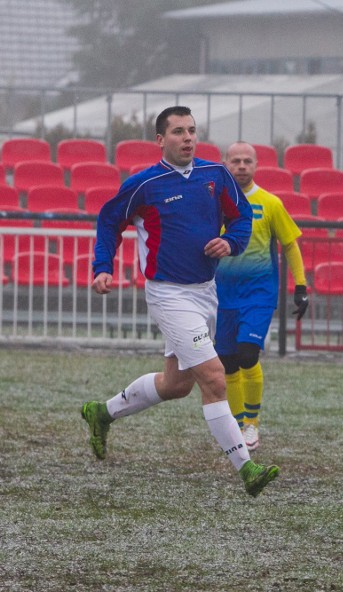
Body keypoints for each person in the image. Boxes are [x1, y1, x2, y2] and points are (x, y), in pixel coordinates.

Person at [80, 106, 280, 498]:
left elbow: (241, 219)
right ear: (160, 140)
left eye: (191, 131)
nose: (187, 138)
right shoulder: (144, 184)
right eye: (177, 132)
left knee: (176, 385)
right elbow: (108, 221)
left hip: (205, 291)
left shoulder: (215, 175)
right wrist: (102, 266)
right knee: (214, 377)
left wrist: (232, 241)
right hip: (167, 294)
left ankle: (102, 412)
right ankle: (247, 469)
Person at [216, 141, 310, 450]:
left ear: (256, 166)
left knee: (247, 354)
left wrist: (301, 285)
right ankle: (237, 424)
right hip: (223, 295)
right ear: (226, 164)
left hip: (259, 292)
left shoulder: (270, 203)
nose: (241, 166)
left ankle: (252, 425)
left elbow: (291, 244)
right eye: (236, 161)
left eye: (247, 161)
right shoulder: (214, 204)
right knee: (228, 363)